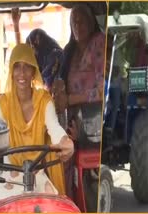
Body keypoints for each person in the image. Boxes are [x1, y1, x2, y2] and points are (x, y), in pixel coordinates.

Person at [0, 44, 74, 212]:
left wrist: (65, 141)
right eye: (17, 67)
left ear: (34, 71)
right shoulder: (3, 103)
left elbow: (55, 129)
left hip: (37, 174)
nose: (22, 73)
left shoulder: (44, 100)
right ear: (11, 71)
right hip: (10, 176)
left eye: (27, 67)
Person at [54, 4, 105, 199]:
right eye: (73, 21)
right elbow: (60, 79)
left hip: (94, 121)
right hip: (72, 119)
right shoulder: (70, 49)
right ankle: (66, 202)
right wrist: (58, 91)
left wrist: (70, 99)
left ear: (91, 22)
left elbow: (102, 91)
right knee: (56, 156)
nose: (77, 24)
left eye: (81, 19)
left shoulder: (98, 42)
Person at [11, 8, 63, 91]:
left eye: (33, 49)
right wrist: (16, 24)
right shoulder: (40, 61)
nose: (32, 52)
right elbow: (21, 55)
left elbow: (49, 90)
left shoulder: (55, 58)